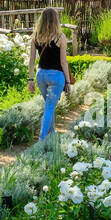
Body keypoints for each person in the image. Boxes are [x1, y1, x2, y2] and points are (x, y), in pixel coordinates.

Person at [26, 8, 73, 141]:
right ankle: (42, 140)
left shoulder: (35, 36)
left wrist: (30, 79)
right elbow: (64, 62)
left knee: (48, 105)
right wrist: (68, 82)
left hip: (40, 75)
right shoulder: (60, 37)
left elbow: (31, 60)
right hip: (56, 77)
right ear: (56, 20)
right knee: (50, 107)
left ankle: (52, 134)